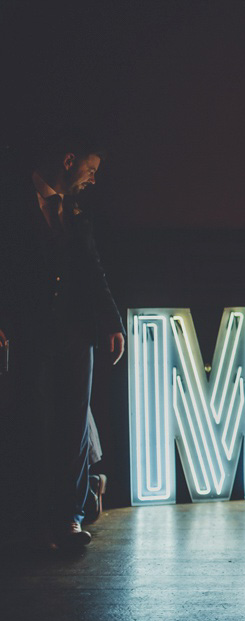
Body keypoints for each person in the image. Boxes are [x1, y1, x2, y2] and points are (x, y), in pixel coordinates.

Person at [0, 130, 125, 550]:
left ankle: (69, 519)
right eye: (90, 169)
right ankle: (36, 524)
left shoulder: (75, 209)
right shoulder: (11, 202)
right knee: (34, 427)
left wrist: (112, 322)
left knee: (73, 429)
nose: (93, 179)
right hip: (30, 333)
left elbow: (93, 268)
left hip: (76, 334)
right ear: (69, 161)